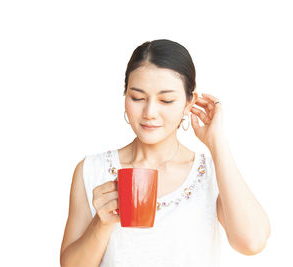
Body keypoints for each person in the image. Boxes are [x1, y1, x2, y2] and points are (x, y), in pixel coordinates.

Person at [60, 39, 271, 267]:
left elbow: (252, 243)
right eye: (137, 98)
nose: (150, 112)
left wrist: (216, 142)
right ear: (125, 97)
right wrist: (100, 224)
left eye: (166, 100)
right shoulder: (92, 170)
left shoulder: (210, 172)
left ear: (189, 102)